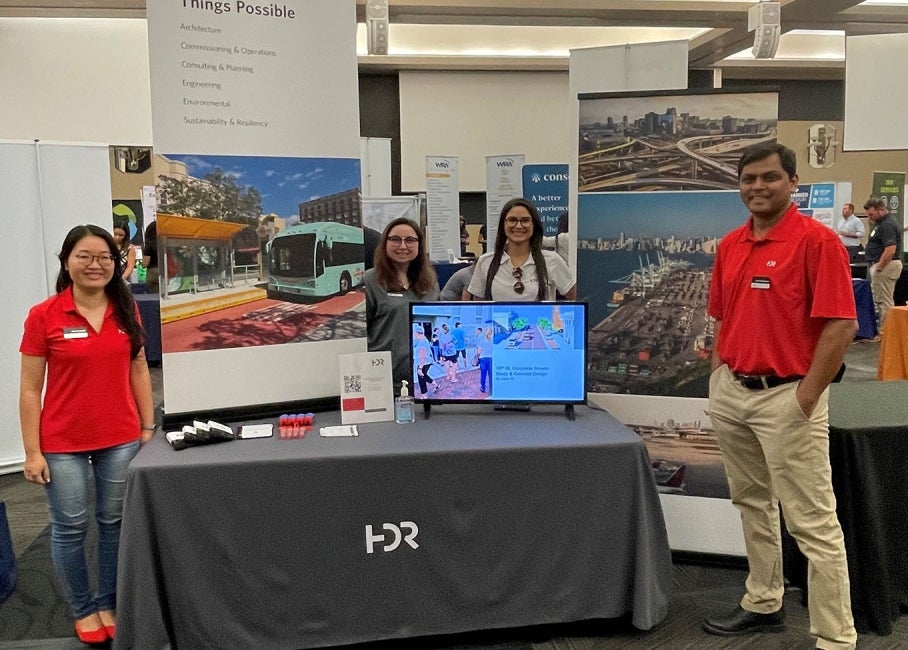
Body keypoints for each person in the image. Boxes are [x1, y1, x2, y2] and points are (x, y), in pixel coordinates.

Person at [703, 143, 857, 650]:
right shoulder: (729, 244)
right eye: (748, 179)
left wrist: (807, 397)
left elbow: (841, 324)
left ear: (793, 182)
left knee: (812, 522)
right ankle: (763, 600)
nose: (757, 187)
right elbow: (723, 316)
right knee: (751, 503)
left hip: (787, 397)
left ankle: (836, 638)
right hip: (734, 393)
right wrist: (718, 379)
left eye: (769, 178)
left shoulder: (817, 242)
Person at [19, 224, 156, 645]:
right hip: (62, 444)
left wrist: (148, 427)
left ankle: (108, 602)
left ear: (115, 264)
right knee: (70, 527)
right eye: (84, 256)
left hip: (119, 436)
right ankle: (83, 609)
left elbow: (138, 369)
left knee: (115, 523)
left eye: (104, 258)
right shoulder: (45, 315)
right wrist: (32, 452)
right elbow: (29, 388)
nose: (95, 265)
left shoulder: (125, 308)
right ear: (66, 261)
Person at [364, 217, 439, 390]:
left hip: (419, 378)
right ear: (384, 243)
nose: (403, 246)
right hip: (383, 383)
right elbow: (361, 336)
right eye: (396, 239)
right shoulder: (370, 280)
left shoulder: (430, 281)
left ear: (419, 245)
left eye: (410, 240)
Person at [467, 197, 576, 301]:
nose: (518, 226)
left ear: (534, 225)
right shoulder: (486, 262)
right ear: (503, 225)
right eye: (512, 220)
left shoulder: (552, 260)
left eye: (525, 220)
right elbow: (479, 304)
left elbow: (575, 296)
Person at [864, 196, 903, 328]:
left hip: (887, 265)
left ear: (880, 210)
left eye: (871, 214)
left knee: (884, 301)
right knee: (881, 300)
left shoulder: (887, 225)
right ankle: (885, 330)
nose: (870, 217)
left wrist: (879, 267)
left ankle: (885, 332)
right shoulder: (881, 223)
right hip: (883, 265)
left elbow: (891, 249)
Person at [412, 324, 436, 397]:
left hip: (423, 364)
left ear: (417, 333)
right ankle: (436, 385)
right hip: (426, 363)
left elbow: (423, 356)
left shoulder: (422, 341)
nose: (414, 335)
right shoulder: (424, 339)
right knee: (425, 376)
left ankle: (425, 396)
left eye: (414, 333)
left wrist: (420, 368)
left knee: (421, 380)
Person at [141, 220, 159, 294]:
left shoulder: (149, 245)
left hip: (153, 272)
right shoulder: (164, 243)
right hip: (165, 272)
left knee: (154, 296)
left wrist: (141, 264)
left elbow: (145, 263)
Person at [475, 326, 494, 393]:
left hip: (483, 359)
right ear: (491, 333)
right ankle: (491, 389)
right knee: (491, 375)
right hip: (491, 359)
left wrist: (476, 357)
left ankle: (483, 388)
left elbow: (479, 351)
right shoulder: (493, 341)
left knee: (483, 374)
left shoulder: (482, 341)